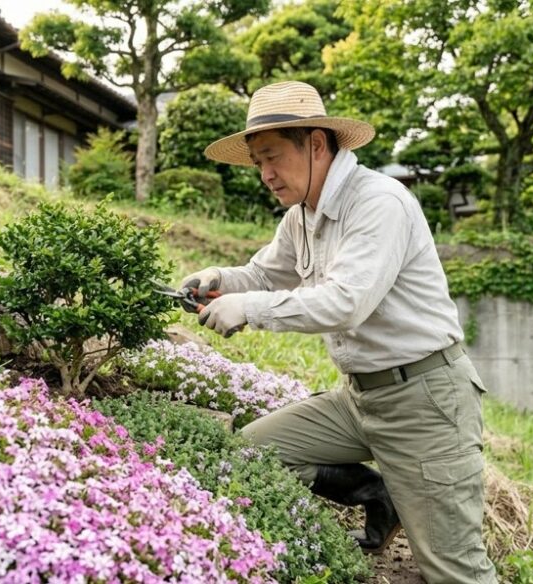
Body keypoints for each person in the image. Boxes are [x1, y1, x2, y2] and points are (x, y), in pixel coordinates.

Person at [179, 81, 497, 584]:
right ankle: (381, 495)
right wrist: (220, 279)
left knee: (453, 570)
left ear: (316, 144)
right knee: (251, 451)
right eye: (257, 162)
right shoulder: (301, 217)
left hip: (425, 401)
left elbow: (347, 302)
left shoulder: (379, 203)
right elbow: (263, 275)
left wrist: (249, 309)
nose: (264, 174)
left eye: (272, 157)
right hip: (359, 399)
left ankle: (406, 499)